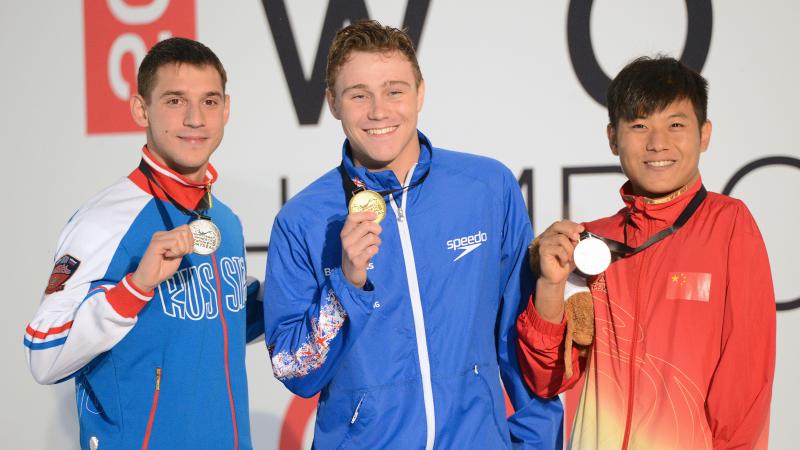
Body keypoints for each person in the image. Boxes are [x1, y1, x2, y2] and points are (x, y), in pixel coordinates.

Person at [263, 20, 563, 449]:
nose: (379, 111)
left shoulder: (486, 187)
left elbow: (522, 339)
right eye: (358, 95)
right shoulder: (303, 220)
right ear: (332, 103)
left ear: (420, 93)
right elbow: (296, 371)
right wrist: (345, 286)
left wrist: (536, 444)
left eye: (394, 90)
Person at [516, 56, 776, 449]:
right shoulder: (590, 244)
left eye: (675, 124)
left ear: (704, 134)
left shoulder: (728, 225)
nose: (658, 143)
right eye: (639, 126)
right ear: (612, 137)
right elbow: (547, 379)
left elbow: (745, 384)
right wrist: (550, 288)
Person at [24, 37, 263, 450]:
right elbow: (44, 355)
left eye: (209, 102)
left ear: (226, 110)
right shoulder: (105, 221)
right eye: (174, 101)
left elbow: (210, 329)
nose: (194, 119)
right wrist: (134, 289)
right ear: (141, 109)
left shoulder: (226, 220)